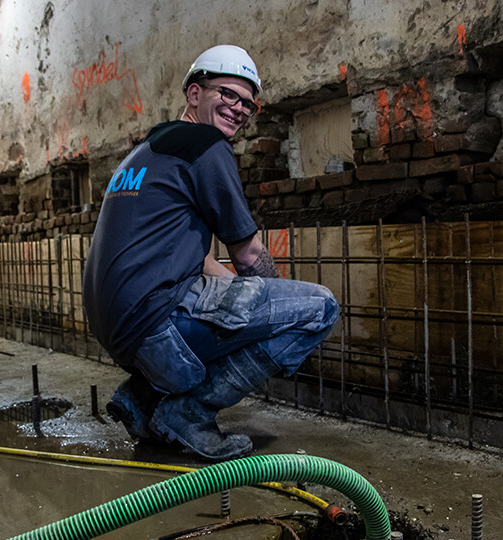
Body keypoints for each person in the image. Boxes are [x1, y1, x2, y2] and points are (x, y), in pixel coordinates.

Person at [83, 45, 338, 461]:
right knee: (319, 308)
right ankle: (189, 413)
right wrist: (278, 313)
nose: (239, 108)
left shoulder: (149, 150)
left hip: (119, 331)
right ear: (195, 93)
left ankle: (141, 401)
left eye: (247, 102)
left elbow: (197, 259)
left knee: (240, 301)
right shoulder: (205, 145)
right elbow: (249, 253)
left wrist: (247, 304)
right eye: (227, 94)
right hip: (157, 327)